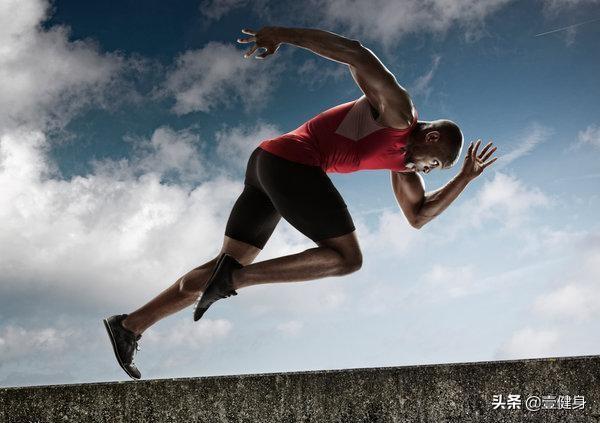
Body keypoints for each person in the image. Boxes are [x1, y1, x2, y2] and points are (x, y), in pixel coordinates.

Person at [103, 26, 498, 380]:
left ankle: (130, 325)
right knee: (347, 258)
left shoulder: (401, 166)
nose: (426, 171)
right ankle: (232, 282)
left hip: (266, 165)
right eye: (434, 164)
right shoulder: (399, 113)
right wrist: (281, 34)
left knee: (221, 265)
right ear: (431, 139)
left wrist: (464, 177)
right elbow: (356, 54)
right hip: (291, 163)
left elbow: (418, 215)